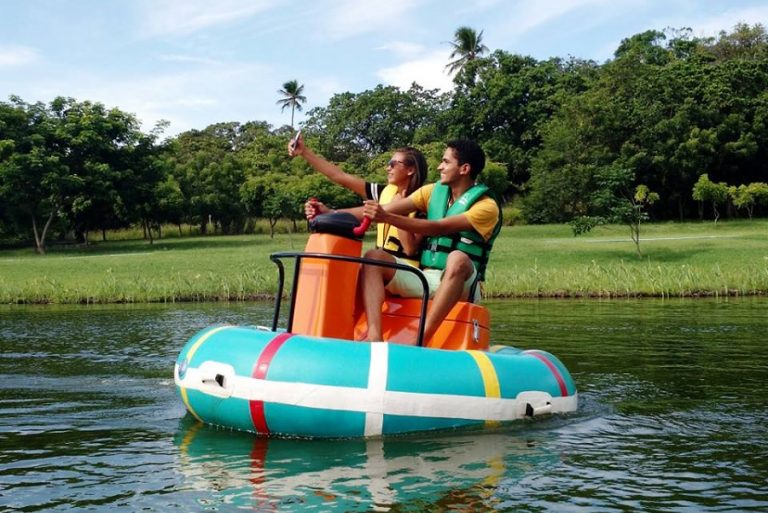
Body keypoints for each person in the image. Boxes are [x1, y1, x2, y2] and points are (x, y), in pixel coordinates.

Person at [360, 139, 501, 344]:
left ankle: (420, 339)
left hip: (464, 284)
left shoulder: (487, 206)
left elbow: (440, 227)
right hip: (427, 278)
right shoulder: (433, 192)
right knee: (373, 258)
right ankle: (374, 336)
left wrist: (388, 218)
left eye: (445, 161)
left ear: (464, 168)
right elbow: (379, 211)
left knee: (457, 258)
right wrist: (331, 213)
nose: (439, 166)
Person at [288, 133, 428, 267]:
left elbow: (410, 249)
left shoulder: (422, 202)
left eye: (393, 164)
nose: (387, 168)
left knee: (368, 259)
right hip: (381, 265)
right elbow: (339, 176)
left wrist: (398, 209)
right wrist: (304, 152)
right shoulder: (384, 192)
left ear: (410, 170)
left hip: (406, 270)